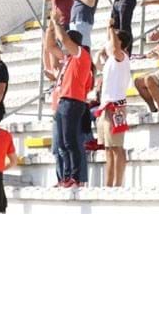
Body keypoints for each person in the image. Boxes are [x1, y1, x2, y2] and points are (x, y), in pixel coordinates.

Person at [48, 14, 94, 188]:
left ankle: (75, 177)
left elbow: (64, 40)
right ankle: (66, 177)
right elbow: (50, 46)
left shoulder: (82, 56)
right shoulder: (68, 59)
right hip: (63, 102)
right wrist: (51, 28)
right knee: (62, 144)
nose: (63, 47)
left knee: (70, 142)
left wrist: (56, 23)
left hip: (73, 102)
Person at [94, 26, 133, 187]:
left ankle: (118, 184)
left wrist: (110, 28)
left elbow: (115, 47)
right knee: (108, 148)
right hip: (105, 107)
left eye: (113, 40)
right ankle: (108, 184)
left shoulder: (121, 56)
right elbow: (98, 64)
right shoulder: (112, 60)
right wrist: (101, 51)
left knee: (117, 147)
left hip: (116, 107)